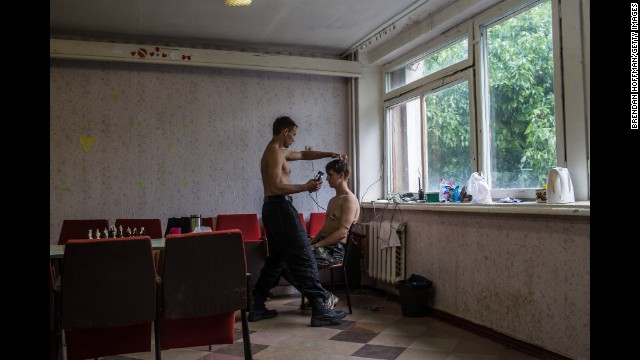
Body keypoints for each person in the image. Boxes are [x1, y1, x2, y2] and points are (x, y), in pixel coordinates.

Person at [250, 115, 348, 327]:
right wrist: (306, 187)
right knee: (304, 255)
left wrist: (330, 153)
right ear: (285, 131)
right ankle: (320, 308)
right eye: (293, 134)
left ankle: (256, 305)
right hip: (280, 208)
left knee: (276, 259)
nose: (294, 139)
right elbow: (276, 186)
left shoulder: (276, 152)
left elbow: (304, 154)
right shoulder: (275, 153)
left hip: (273, 209)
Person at [281, 159, 360, 303]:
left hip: (336, 251)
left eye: (330, 175)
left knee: (297, 264)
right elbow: (325, 229)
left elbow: (342, 233)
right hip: (324, 246)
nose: (327, 178)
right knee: (284, 264)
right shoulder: (334, 200)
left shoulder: (349, 200)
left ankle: (321, 298)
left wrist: (316, 246)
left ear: (341, 175)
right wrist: (311, 242)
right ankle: (320, 297)